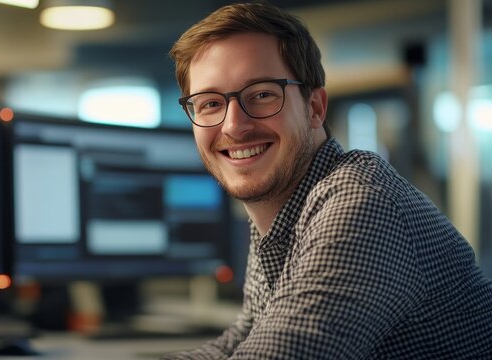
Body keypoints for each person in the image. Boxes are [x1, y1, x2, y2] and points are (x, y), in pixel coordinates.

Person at [163, 2, 492, 359]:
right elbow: (239, 341)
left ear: (315, 108)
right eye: (210, 103)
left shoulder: (360, 203)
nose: (233, 126)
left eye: (261, 95)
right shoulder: (280, 215)